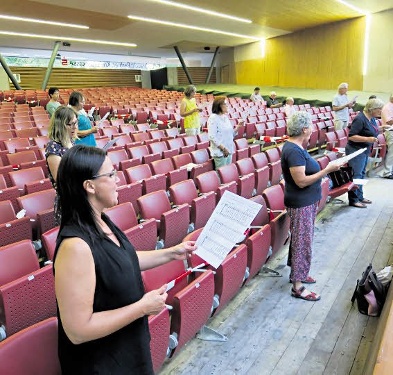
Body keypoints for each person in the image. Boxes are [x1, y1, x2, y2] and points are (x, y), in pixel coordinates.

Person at [54, 145, 197, 374]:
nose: (117, 180)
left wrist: (173, 252)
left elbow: (122, 261)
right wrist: (141, 308)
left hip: (127, 349)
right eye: (110, 175)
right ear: (89, 186)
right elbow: (78, 330)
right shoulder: (75, 247)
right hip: (101, 364)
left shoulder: (101, 220)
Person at [281, 111, 342, 301]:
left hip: (306, 201)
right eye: (311, 126)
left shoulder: (298, 147)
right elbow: (301, 181)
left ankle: (298, 272)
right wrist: (327, 170)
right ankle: (297, 286)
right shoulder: (293, 150)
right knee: (302, 242)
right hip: (301, 203)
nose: (313, 129)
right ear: (305, 129)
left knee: (302, 239)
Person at [345, 98, 384, 207]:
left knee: (361, 174)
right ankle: (353, 199)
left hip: (364, 150)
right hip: (356, 150)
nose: (381, 111)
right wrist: (368, 140)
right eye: (379, 109)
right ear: (372, 109)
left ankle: (360, 196)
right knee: (356, 175)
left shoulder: (371, 118)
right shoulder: (360, 118)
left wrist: (382, 128)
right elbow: (352, 136)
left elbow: (370, 130)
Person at [45, 106, 77, 224]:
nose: (75, 127)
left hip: (78, 194)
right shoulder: (53, 147)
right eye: (70, 124)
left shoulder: (71, 141)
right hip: (68, 199)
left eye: (75, 123)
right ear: (60, 125)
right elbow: (61, 179)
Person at [208, 96, 244, 169]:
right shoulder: (213, 118)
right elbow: (212, 136)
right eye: (225, 104)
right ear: (220, 106)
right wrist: (223, 149)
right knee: (221, 175)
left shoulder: (225, 117)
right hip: (220, 152)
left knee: (227, 173)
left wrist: (238, 127)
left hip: (229, 150)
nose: (227, 106)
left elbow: (231, 134)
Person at [377, 94, 393, 179]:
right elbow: (389, 121)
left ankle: (390, 170)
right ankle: (387, 172)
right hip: (390, 132)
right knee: (391, 153)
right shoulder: (387, 107)